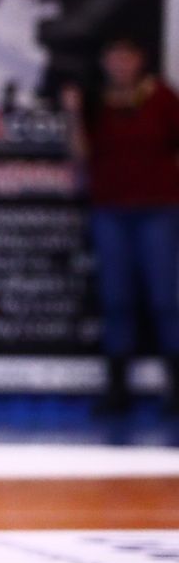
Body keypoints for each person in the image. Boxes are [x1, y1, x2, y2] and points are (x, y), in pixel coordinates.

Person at [63, 36, 179, 416]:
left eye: (126, 58)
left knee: (165, 299)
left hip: (159, 210)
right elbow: (80, 155)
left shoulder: (162, 98)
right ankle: (117, 389)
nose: (120, 65)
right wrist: (73, 114)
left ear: (140, 60)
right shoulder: (96, 102)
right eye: (113, 58)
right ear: (104, 63)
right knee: (116, 299)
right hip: (110, 211)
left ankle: (175, 389)